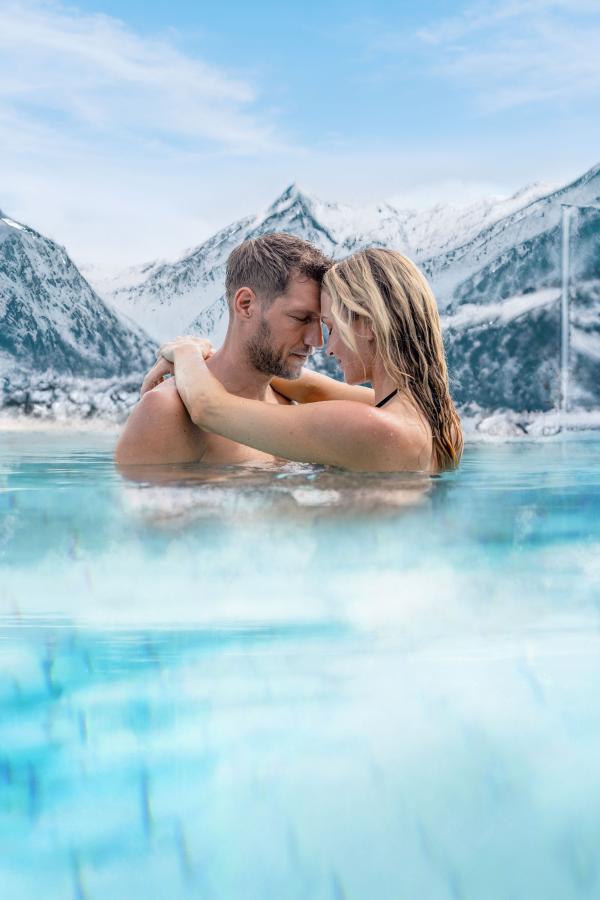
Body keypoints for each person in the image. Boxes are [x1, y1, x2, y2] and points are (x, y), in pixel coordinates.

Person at [156, 248, 463, 473]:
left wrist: (184, 351)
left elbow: (208, 408)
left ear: (367, 324)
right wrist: (226, 355)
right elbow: (311, 390)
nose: (326, 347)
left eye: (330, 327)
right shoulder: (439, 417)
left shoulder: (373, 428)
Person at [114, 233, 331, 467]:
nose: (317, 340)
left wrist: (188, 353)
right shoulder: (167, 411)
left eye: (321, 323)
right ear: (246, 305)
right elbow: (130, 503)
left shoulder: (288, 401)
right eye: (301, 318)